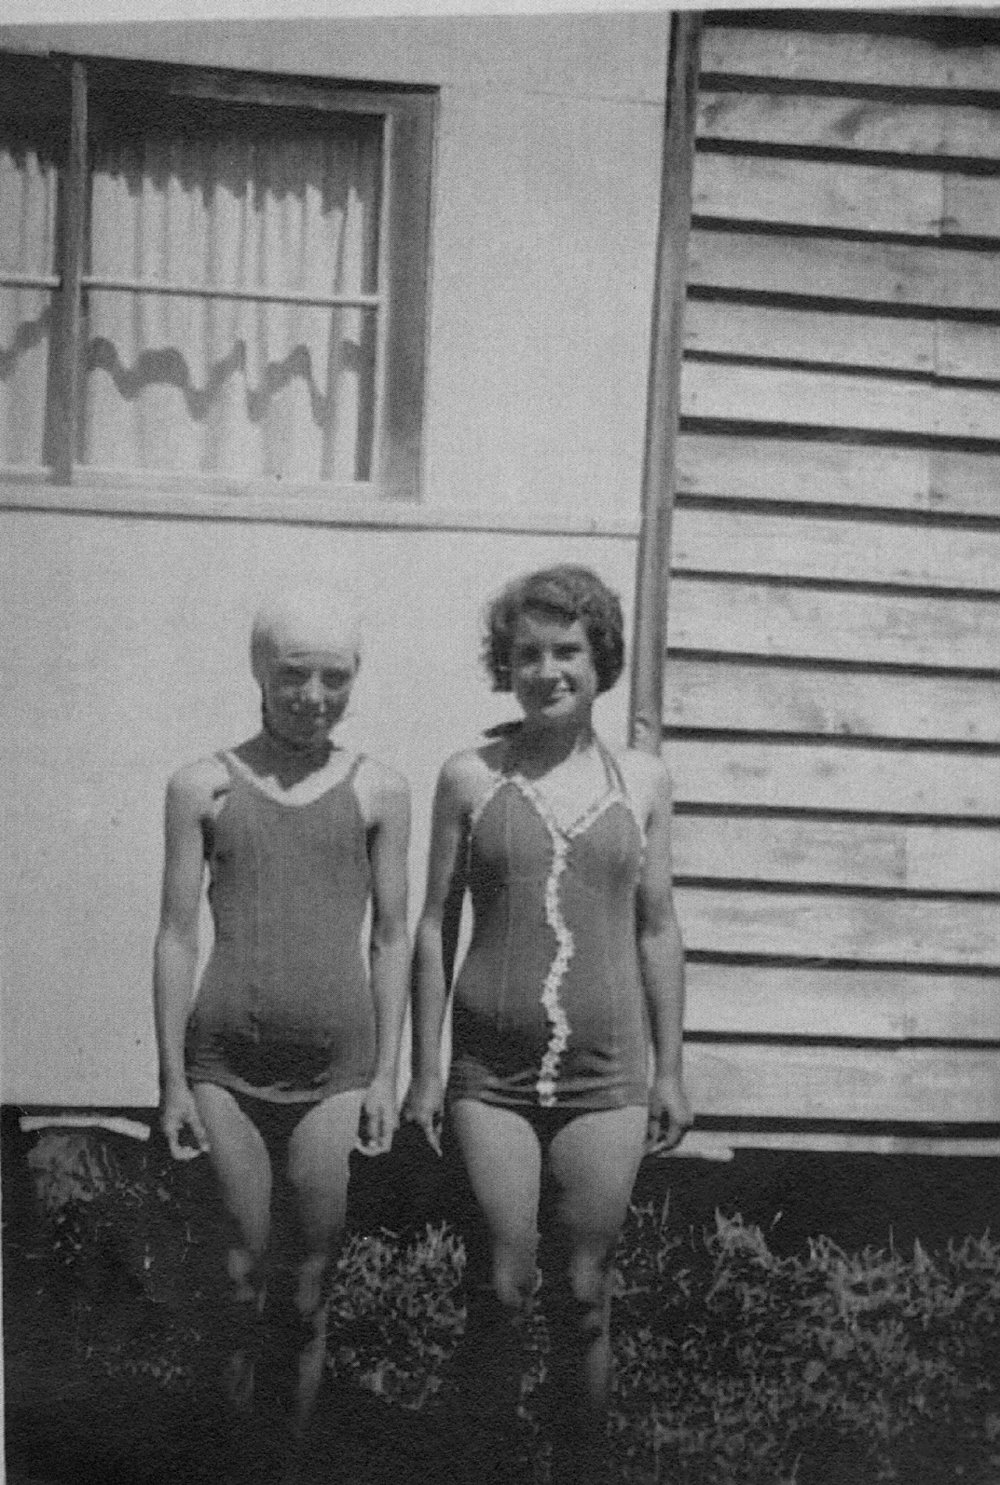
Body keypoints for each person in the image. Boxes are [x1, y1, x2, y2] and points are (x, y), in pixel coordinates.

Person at [405, 564, 692, 1484]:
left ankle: (581, 1464)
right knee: (501, 1283)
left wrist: (670, 1068)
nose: (546, 670)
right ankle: (482, 1461)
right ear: (507, 665)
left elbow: (657, 928)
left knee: (584, 1292)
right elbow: (432, 924)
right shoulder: (470, 777)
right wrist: (423, 1069)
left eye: (567, 650)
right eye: (526, 653)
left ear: (600, 658)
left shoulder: (643, 780)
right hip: (489, 1075)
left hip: (608, 1073)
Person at [152, 586, 410, 1472]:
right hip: (224, 1064)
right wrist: (173, 1080)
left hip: (336, 1070)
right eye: (294, 674)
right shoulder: (203, 785)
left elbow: (392, 936)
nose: (313, 695)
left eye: (334, 677)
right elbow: (176, 935)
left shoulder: (379, 788)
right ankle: (230, 1460)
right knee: (236, 1277)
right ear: (260, 671)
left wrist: (385, 1074)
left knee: (306, 1287)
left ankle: (285, 1463)